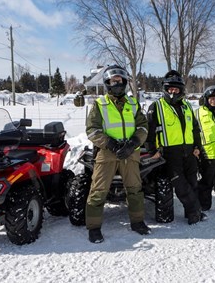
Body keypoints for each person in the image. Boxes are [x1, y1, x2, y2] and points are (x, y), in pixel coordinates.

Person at [85, 65, 150, 243]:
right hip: (107, 154)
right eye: (114, 81)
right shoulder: (100, 105)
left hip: (130, 153)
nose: (117, 84)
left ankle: (137, 222)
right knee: (98, 191)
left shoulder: (133, 104)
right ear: (107, 83)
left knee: (135, 189)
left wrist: (134, 143)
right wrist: (111, 144)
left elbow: (143, 127)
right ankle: (94, 227)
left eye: (120, 80)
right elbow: (92, 130)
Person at [146, 70, 206, 224]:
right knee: (180, 185)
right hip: (170, 153)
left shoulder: (187, 106)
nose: (173, 92)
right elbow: (150, 132)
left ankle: (191, 212)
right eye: (170, 89)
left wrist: (198, 146)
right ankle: (195, 210)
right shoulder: (156, 106)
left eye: (176, 89)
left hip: (189, 150)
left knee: (193, 182)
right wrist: (152, 151)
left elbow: (195, 128)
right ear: (165, 89)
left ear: (181, 90)